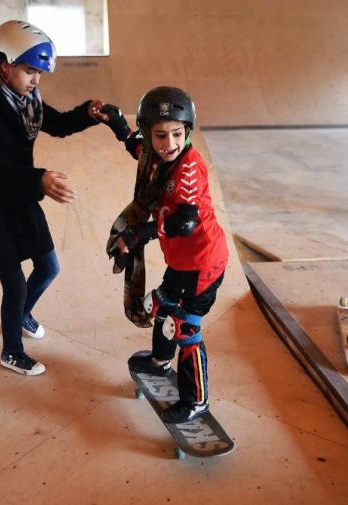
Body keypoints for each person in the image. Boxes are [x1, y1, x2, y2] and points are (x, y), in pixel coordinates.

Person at [0, 20, 109, 376]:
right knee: (13, 283)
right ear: (4, 64)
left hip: (22, 197)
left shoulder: (28, 101)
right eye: (30, 71)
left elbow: (56, 124)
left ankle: (23, 313)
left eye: (40, 73)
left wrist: (88, 113)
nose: (36, 80)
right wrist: (38, 178)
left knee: (48, 267)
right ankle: (11, 350)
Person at [100, 87, 229, 423]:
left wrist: (138, 234)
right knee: (162, 305)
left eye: (176, 134)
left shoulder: (188, 167)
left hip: (204, 262)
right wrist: (115, 122)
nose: (168, 143)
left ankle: (197, 400)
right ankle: (159, 361)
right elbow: (137, 147)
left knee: (185, 328)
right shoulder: (157, 155)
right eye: (160, 135)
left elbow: (184, 223)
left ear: (187, 132)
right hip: (182, 262)